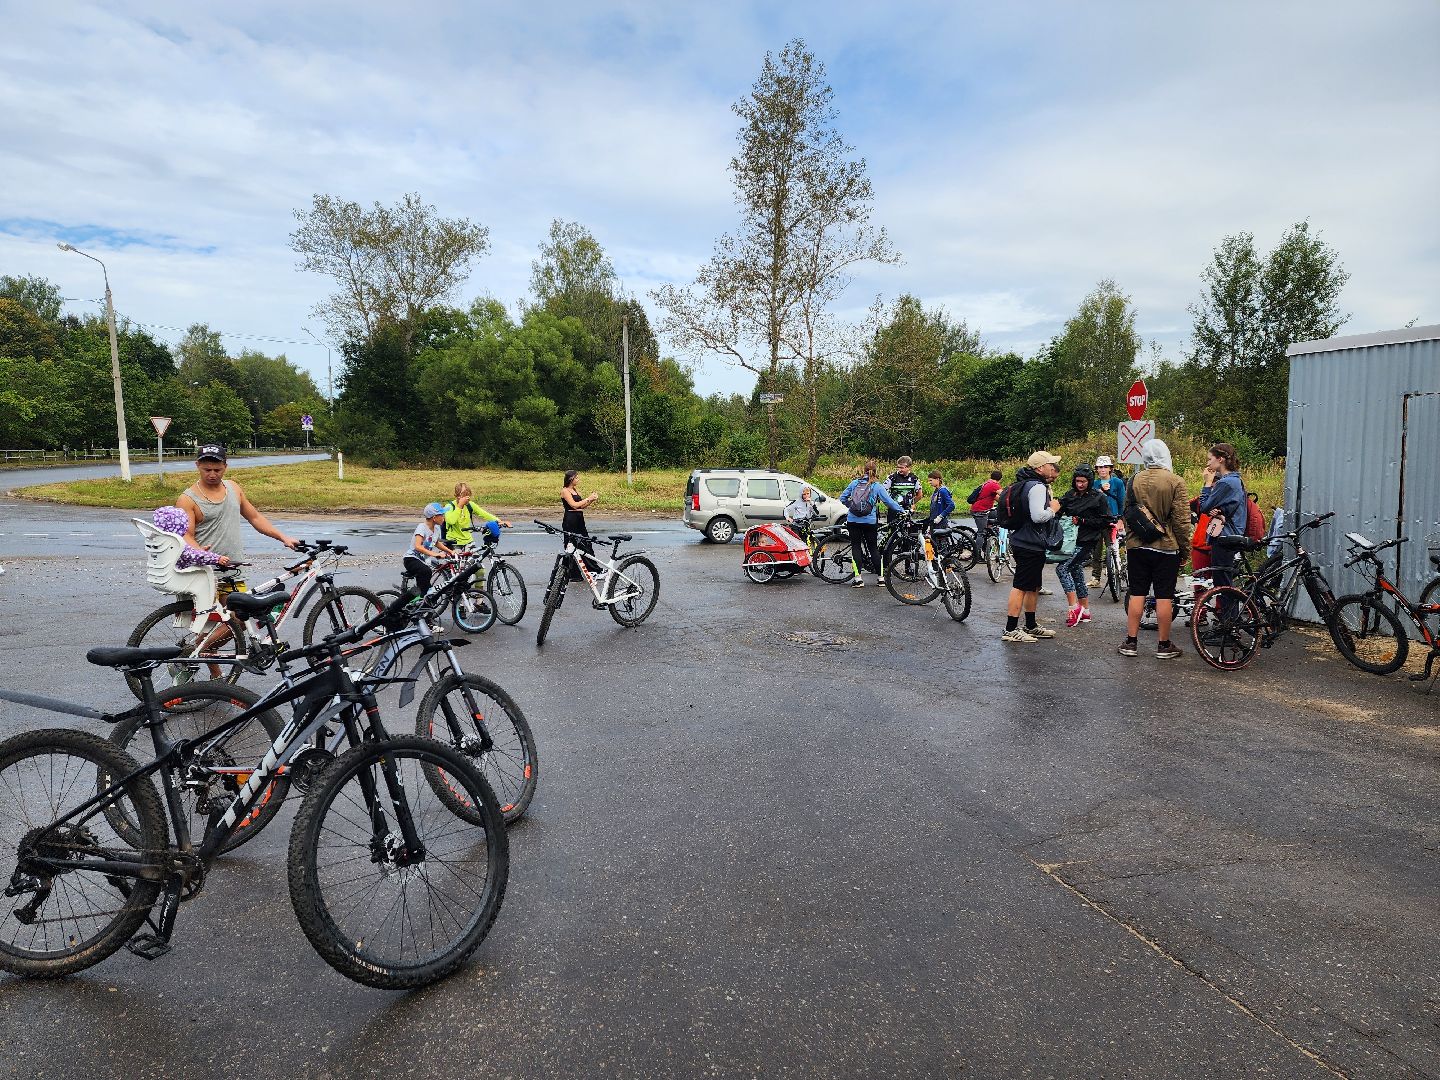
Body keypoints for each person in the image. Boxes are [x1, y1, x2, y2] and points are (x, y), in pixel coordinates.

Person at [177, 443, 299, 592]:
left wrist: (283, 537)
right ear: (197, 465)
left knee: (239, 614)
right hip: (202, 573)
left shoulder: (233, 488)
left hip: (233, 569)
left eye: (217, 470)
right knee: (204, 615)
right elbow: (185, 536)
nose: (212, 474)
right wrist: (202, 555)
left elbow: (255, 518)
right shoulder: (187, 499)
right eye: (207, 470)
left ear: (225, 467)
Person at [1118, 439, 1190, 659]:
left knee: (1137, 592)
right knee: (1164, 596)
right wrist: (1185, 550)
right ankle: (1164, 644)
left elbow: (1127, 512)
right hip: (1165, 547)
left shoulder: (1134, 480)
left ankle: (1131, 642)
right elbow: (1181, 521)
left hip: (1137, 545)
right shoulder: (1176, 482)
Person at [1002, 451, 1063, 643]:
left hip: (1028, 541)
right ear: (1040, 468)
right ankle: (1010, 629)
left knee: (1033, 586)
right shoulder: (1036, 487)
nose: (1053, 468)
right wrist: (1053, 509)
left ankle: (1030, 625)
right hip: (1029, 543)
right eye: (1050, 464)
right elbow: (1038, 516)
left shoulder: (1028, 484)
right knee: (1021, 586)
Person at [1055, 464, 1112, 627]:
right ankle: (1085, 610)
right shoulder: (1070, 495)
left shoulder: (1098, 497)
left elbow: (1105, 520)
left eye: (1083, 481)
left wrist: (1083, 521)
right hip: (1070, 541)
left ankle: (1074, 608)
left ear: (1090, 481)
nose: (1080, 484)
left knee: (1062, 568)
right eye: (1077, 481)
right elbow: (1058, 511)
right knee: (1075, 570)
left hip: (1088, 540)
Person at [840, 459, 904, 588]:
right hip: (869, 521)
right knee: (873, 549)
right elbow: (889, 502)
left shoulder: (854, 483)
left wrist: (852, 506)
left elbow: (842, 498)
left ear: (863, 471)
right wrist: (902, 510)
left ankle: (858, 579)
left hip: (853, 520)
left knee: (856, 548)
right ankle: (880, 579)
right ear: (875, 472)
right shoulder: (877, 486)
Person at [1197, 442, 1246, 592]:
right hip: (1232, 533)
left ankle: (1229, 615)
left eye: (1210, 459)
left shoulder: (1225, 483)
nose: (1207, 463)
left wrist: (1207, 483)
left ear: (1220, 459)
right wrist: (1219, 510)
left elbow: (1204, 506)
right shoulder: (1236, 480)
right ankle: (1229, 614)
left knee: (1222, 583)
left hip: (1225, 536)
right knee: (1225, 579)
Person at [151, 506, 232, 570]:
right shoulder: (176, 543)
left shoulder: (158, 541)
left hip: (162, 577)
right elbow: (193, 555)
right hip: (182, 578)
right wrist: (217, 559)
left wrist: (199, 551)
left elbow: (187, 554)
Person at [1088, 456, 1126, 587]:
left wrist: (1121, 519)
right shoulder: (1093, 484)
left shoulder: (1117, 482)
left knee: (1113, 547)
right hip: (1098, 519)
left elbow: (1122, 501)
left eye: (1105, 467)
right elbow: (1089, 501)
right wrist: (1099, 491)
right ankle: (1096, 577)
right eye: (1100, 467)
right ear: (1097, 469)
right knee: (1096, 549)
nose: (1103, 469)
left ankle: (1118, 572)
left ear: (1110, 469)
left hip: (1113, 518)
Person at [404, 502, 454, 596]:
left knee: (438, 569)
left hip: (424, 560)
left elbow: (436, 543)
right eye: (441, 515)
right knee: (426, 571)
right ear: (434, 517)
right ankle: (420, 597)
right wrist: (435, 554)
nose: (443, 517)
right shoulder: (422, 527)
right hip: (411, 559)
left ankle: (424, 595)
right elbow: (417, 546)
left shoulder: (437, 528)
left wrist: (450, 551)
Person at [444, 482, 511, 547]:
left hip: (468, 541)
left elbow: (485, 514)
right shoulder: (449, 506)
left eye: (468, 495)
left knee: (476, 557)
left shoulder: (470, 505)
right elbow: (451, 521)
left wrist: (500, 521)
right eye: (464, 496)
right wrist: (460, 506)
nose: (468, 498)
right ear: (457, 496)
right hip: (454, 542)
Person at [561, 469, 598, 579]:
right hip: (570, 519)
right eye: (576, 478)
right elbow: (574, 505)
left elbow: (581, 506)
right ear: (570, 479)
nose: (578, 479)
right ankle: (572, 573)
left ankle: (592, 569)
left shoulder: (575, 490)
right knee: (571, 545)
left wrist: (591, 500)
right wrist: (588, 498)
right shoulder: (565, 491)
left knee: (585, 542)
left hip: (579, 518)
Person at [969, 469, 1003, 558]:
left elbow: (998, 498)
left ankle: (989, 536)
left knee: (998, 516)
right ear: (1000, 479)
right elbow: (1004, 495)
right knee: (982, 532)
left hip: (982, 509)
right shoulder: (993, 485)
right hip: (980, 511)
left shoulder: (987, 483)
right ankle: (976, 555)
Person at [884, 456, 925, 526]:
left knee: (906, 532)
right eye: (898, 467)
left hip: (907, 511)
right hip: (893, 511)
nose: (899, 470)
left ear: (909, 467)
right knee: (893, 533)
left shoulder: (914, 478)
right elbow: (883, 492)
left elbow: (919, 495)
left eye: (902, 468)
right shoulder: (892, 477)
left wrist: (911, 503)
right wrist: (889, 504)